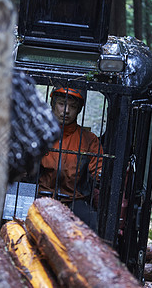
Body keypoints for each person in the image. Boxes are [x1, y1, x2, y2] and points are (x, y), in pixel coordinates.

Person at [38, 87, 103, 228]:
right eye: (62, 104)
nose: (66, 111)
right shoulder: (38, 133)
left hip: (74, 201)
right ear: (53, 104)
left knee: (93, 225)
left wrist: (101, 175)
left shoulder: (89, 140)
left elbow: (99, 168)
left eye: (73, 107)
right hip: (39, 196)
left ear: (79, 110)